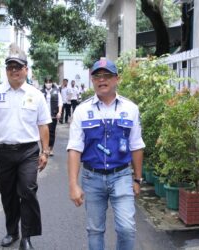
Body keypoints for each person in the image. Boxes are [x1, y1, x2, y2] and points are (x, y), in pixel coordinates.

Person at [0, 44, 51, 250]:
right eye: (10, 67)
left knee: (27, 191)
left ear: (26, 69)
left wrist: (45, 151)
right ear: (6, 71)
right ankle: (12, 231)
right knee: (7, 194)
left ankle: (27, 236)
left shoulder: (36, 95)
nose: (14, 71)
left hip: (28, 152)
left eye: (18, 67)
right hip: (3, 153)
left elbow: (43, 125)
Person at [67, 59, 145, 250]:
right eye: (97, 76)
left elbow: (136, 146)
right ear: (92, 80)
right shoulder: (82, 110)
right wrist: (73, 185)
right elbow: (74, 148)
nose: (102, 80)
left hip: (122, 176)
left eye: (107, 76)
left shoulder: (130, 109)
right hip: (92, 177)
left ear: (117, 79)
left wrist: (137, 179)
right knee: (94, 230)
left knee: (127, 228)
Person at [41, 77, 63, 156]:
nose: (48, 83)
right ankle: (44, 148)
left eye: (50, 82)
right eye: (47, 82)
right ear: (44, 83)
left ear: (52, 83)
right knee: (43, 132)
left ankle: (50, 148)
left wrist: (59, 112)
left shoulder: (56, 92)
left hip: (53, 115)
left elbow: (60, 103)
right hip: (43, 115)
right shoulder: (41, 92)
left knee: (52, 132)